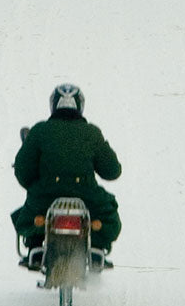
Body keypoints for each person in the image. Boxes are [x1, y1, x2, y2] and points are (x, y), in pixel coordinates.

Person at [11, 83, 122, 255]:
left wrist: (36, 186)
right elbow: (112, 171)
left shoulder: (40, 131)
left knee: (27, 218)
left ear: (53, 104)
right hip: (87, 196)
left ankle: (36, 245)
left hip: (46, 196)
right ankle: (97, 247)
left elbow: (23, 172)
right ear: (80, 105)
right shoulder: (92, 133)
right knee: (108, 217)